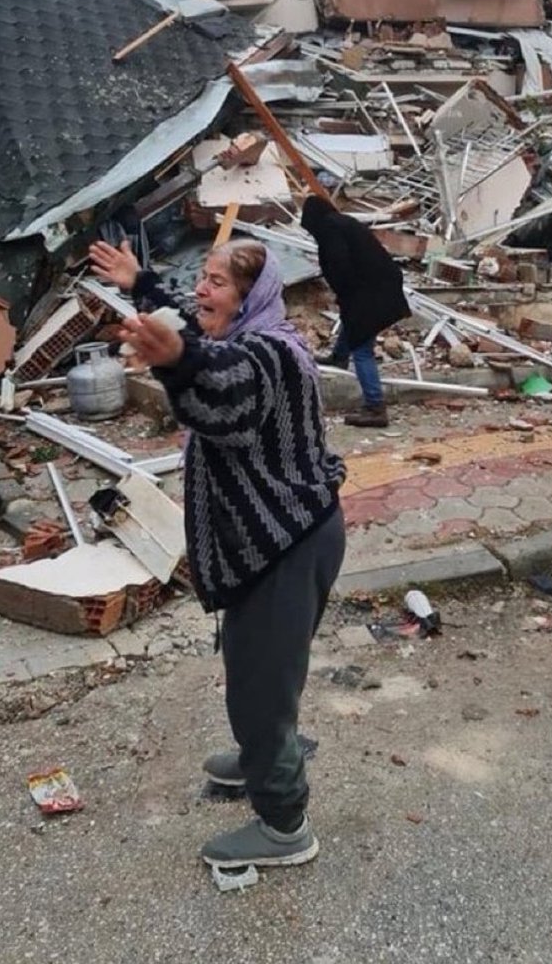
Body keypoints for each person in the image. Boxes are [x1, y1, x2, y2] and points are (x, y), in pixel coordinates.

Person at [87, 236, 346, 869]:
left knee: (258, 686)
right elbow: (188, 327)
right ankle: (267, 748)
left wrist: (177, 363)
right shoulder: (239, 336)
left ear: (250, 296)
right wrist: (140, 281)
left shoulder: (271, 353)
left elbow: (225, 397)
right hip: (278, 538)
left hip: (286, 543)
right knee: (258, 663)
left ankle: (285, 824)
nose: (202, 291)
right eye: (201, 278)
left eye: (217, 283)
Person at [301, 196, 411, 428]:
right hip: (376, 286)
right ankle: (339, 357)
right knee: (354, 322)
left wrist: (344, 291)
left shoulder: (330, 228)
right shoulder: (341, 222)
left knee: (362, 347)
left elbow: (339, 263)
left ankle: (375, 407)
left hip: (370, 291)